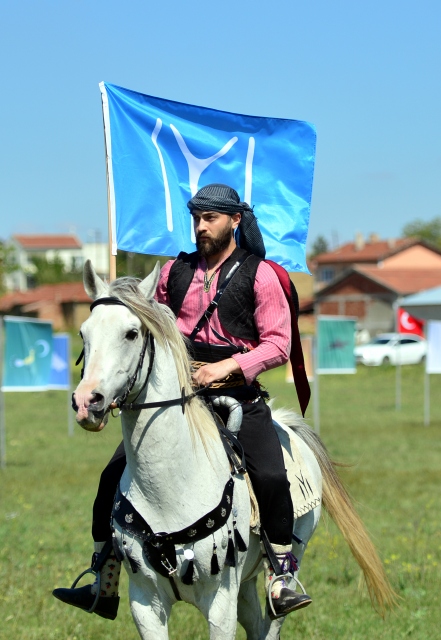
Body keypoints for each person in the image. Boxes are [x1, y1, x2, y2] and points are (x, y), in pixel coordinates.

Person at [53, 183, 311, 620]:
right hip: (177, 394)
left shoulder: (261, 274)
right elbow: (144, 328)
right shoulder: (174, 272)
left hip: (238, 393)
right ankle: (104, 578)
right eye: (196, 219)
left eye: (210, 218)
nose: (201, 227)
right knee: (111, 476)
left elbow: (278, 345)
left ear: (234, 220)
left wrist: (225, 367)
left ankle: (281, 576)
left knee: (269, 474)